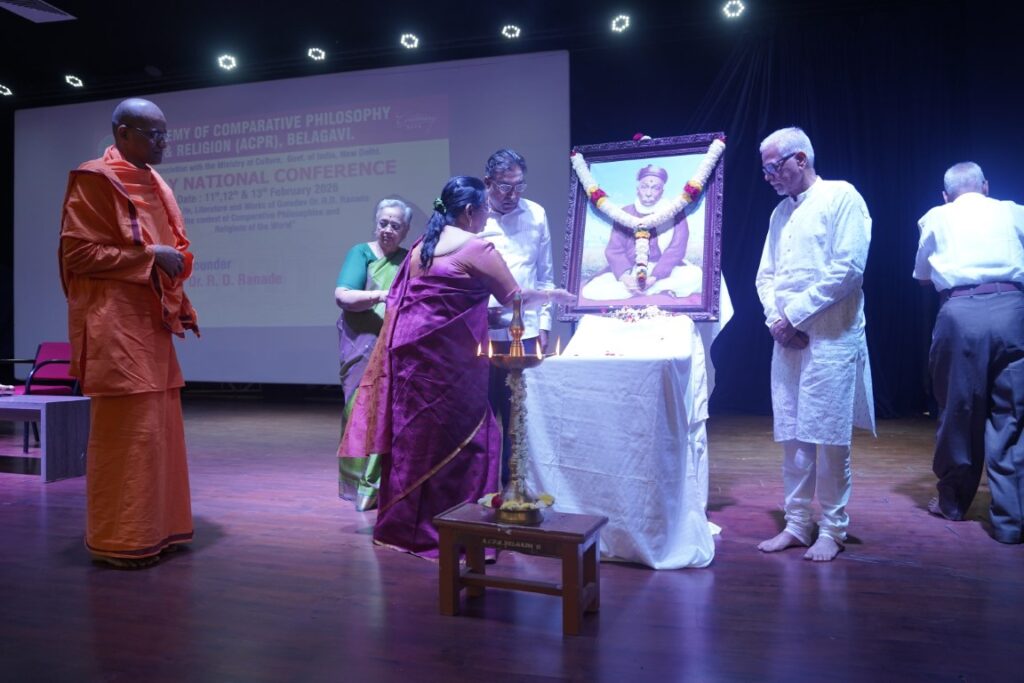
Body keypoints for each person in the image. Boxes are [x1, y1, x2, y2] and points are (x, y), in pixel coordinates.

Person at [339, 176, 572, 557]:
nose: (487, 218)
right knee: (469, 442)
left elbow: (432, 306)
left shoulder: (420, 247)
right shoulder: (477, 248)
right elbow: (514, 298)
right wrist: (553, 295)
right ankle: (458, 530)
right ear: (468, 211)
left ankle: (404, 528)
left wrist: (482, 315)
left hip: (410, 362)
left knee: (414, 441)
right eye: (484, 211)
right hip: (451, 367)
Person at [59, 98, 199, 569]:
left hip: (153, 324)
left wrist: (177, 292)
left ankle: (161, 529)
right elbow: (79, 255)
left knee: (159, 433)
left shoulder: (157, 183)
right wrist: (151, 256)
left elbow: (169, 251)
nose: (163, 144)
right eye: (153, 134)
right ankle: (121, 540)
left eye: (164, 134)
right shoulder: (95, 178)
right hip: (116, 328)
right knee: (128, 435)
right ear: (123, 134)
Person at [754, 126, 875, 562]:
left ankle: (833, 528)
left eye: (773, 167)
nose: (768, 176)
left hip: (831, 338)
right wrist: (776, 321)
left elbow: (848, 269)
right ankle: (797, 524)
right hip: (787, 339)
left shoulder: (842, 196)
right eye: (764, 170)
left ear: (800, 159)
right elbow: (765, 275)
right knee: (793, 437)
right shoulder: (779, 213)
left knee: (829, 437)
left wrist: (793, 316)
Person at [913, 162, 1024, 543]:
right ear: (986, 187)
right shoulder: (1014, 211)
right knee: (1012, 415)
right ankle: (1011, 521)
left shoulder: (936, 216)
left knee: (958, 410)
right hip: (1013, 311)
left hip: (961, 314)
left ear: (946, 195)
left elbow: (923, 275)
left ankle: (953, 502)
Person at [479, 149, 555, 483]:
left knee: (518, 416)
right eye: (504, 186)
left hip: (524, 333)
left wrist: (544, 324)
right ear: (487, 182)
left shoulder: (536, 213)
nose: (513, 194)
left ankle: (515, 489)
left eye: (519, 185)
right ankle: (480, 489)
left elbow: (545, 276)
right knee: (482, 416)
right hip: (481, 333)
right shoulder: (474, 217)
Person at [334, 198, 412, 511]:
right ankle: (357, 486)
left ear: (405, 231)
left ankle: (379, 485)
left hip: (395, 346)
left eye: (395, 225)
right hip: (361, 343)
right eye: (383, 223)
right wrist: (382, 295)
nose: (388, 230)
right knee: (358, 410)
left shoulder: (408, 260)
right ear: (375, 224)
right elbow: (343, 296)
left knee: (388, 414)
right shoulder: (361, 253)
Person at [580, 164, 702, 300]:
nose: (649, 193)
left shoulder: (674, 212)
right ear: (637, 189)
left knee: (695, 275)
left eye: (655, 188)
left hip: (664, 272)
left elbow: (676, 250)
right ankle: (648, 289)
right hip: (630, 271)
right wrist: (625, 278)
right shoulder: (624, 213)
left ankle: (649, 289)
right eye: (644, 187)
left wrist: (655, 277)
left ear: (662, 192)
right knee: (591, 290)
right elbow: (614, 250)